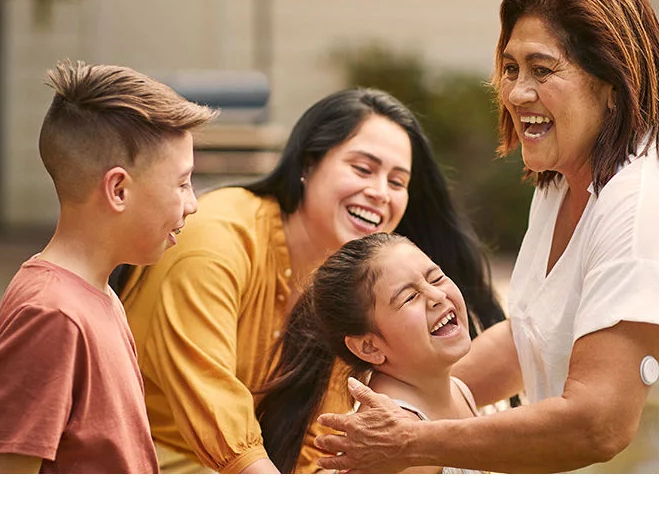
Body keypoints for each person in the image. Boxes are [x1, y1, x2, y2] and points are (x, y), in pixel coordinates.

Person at [315, 0, 659, 473]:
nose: (517, 92)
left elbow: (597, 422)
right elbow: (530, 342)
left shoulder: (649, 208)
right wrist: (389, 413)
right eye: (511, 68)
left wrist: (414, 440)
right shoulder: (563, 181)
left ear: (613, 83)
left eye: (543, 70)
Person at [117, 87, 504, 474]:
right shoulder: (217, 239)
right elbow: (210, 398)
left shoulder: (354, 290)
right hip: (152, 460)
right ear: (308, 164)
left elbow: (317, 438)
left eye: (398, 182)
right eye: (363, 169)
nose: (380, 194)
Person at [0, 60, 218, 474]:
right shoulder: (51, 315)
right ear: (118, 189)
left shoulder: (99, 294)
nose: (192, 203)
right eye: (181, 183)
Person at [257, 233, 484, 474]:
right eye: (409, 297)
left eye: (436, 278)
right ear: (369, 347)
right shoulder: (393, 443)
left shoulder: (459, 390)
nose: (437, 296)